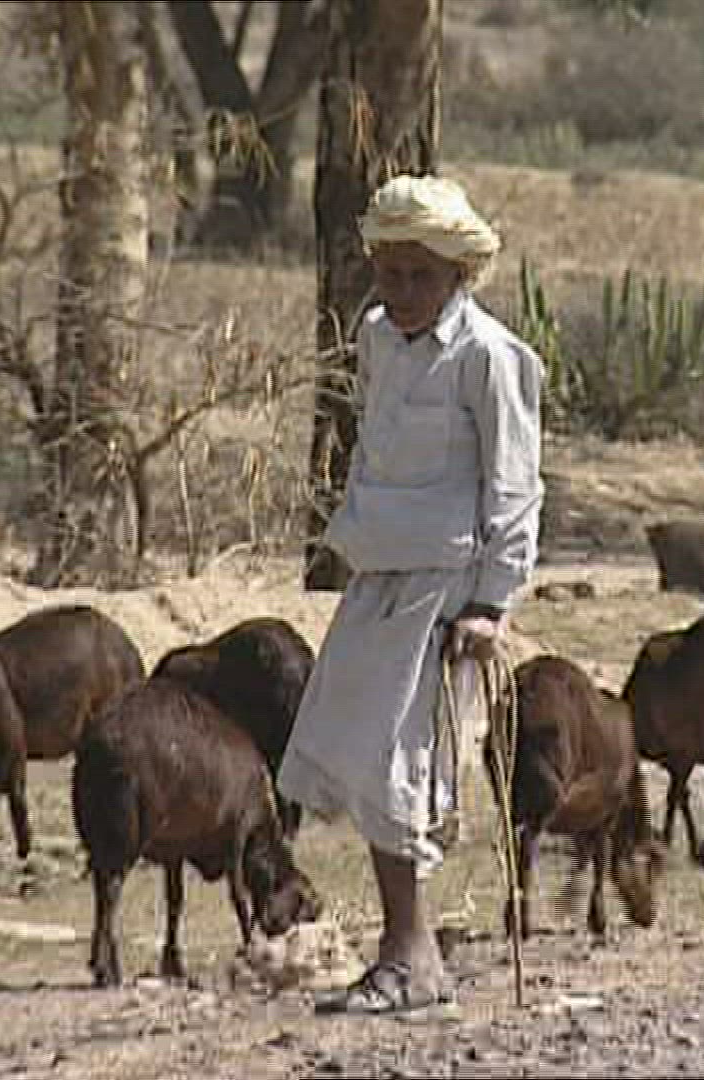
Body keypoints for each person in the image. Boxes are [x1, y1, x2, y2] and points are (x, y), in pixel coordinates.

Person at [277, 173, 544, 1015]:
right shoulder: (376, 338)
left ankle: (410, 958)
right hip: (378, 569)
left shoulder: (491, 358)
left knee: (405, 766)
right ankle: (409, 955)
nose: (400, 291)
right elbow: (372, 446)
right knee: (358, 756)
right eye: (388, 274)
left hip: (447, 588)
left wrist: (491, 604)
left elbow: (515, 488)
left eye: (419, 276)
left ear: (458, 273)